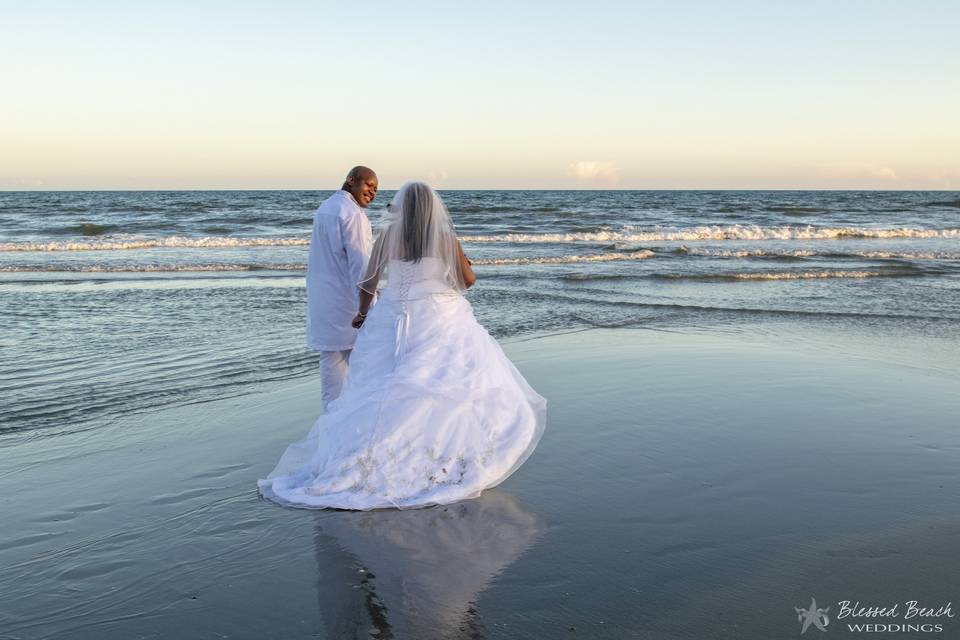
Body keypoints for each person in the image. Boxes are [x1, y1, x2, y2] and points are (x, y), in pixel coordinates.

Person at [259, 182, 546, 510]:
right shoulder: (444, 238)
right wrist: (457, 258)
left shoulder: (387, 237)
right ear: (432, 209)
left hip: (392, 316)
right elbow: (467, 281)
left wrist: (362, 314)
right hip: (438, 316)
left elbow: (368, 281)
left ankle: (377, 453)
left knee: (388, 387)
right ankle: (436, 450)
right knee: (439, 386)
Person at [306, 166, 378, 410]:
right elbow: (362, 265)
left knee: (332, 378)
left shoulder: (325, 208)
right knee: (362, 375)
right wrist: (369, 307)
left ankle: (329, 430)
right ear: (351, 180)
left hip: (324, 300)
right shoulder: (352, 214)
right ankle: (349, 433)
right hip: (348, 305)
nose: (373, 193)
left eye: (376, 189)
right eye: (369, 185)